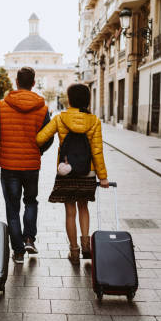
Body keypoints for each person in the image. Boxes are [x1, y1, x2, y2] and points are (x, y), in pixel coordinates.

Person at [0, 67, 53, 264]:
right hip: (32, 165)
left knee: (12, 208)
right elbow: (48, 137)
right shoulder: (42, 108)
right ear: (33, 83)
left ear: (16, 82)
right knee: (31, 201)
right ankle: (29, 239)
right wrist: (38, 151)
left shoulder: (2, 105)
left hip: (8, 165)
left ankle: (18, 251)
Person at [36, 84, 109, 264]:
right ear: (87, 100)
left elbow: (40, 138)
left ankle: (74, 252)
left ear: (69, 100)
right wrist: (103, 177)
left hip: (66, 171)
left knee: (70, 212)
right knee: (83, 207)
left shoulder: (60, 119)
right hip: (88, 172)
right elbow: (97, 151)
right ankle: (86, 246)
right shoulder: (94, 121)